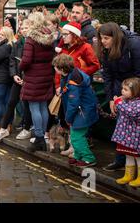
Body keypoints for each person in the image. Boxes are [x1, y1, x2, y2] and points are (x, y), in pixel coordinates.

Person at [95, 22, 140, 172]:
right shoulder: (106, 50)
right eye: (101, 38)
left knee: (135, 132)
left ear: (115, 37)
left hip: (134, 91)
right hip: (119, 89)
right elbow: (107, 75)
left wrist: (131, 95)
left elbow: (139, 73)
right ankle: (121, 161)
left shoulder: (133, 44)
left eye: (106, 38)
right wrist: (112, 98)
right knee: (121, 128)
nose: (103, 41)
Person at [53, 54, 99, 167]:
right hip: (82, 110)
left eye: (55, 67)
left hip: (82, 112)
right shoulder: (70, 75)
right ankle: (78, 156)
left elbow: (74, 103)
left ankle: (88, 158)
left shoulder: (74, 83)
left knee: (77, 137)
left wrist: (68, 118)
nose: (54, 68)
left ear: (62, 68)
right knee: (75, 135)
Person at [20, 12, 55, 152]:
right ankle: (42, 138)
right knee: (42, 107)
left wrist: (20, 66)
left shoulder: (31, 39)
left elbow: (26, 60)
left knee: (34, 107)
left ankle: (39, 138)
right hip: (46, 74)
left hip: (33, 76)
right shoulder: (49, 37)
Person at [0, 19, 32, 142]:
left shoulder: (33, 43)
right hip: (16, 78)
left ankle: (26, 128)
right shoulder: (17, 43)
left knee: (27, 105)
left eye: (26, 28)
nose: (23, 30)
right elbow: (13, 61)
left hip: (29, 79)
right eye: (22, 28)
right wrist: (14, 74)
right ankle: (3, 129)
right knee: (11, 102)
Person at [111, 78, 140, 187]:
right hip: (127, 135)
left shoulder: (138, 103)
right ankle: (128, 175)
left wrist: (118, 102)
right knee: (128, 155)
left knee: (137, 156)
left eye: (126, 89)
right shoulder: (126, 101)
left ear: (135, 91)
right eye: (122, 89)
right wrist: (118, 103)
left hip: (135, 136)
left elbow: (131, 113)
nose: (122, 91)